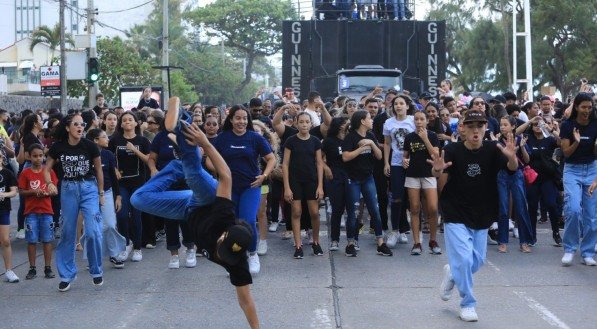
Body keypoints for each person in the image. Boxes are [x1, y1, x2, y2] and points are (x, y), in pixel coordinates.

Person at [131, 98, 259, 328]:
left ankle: (176, 164)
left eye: (226, 257)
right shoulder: (224, 215)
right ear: (223, 236)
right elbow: (226, 175)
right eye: (223, 250)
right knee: (193, 168)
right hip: (207, 199)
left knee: (138, 199)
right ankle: (183, 122)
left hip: (187, 210)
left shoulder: (236, 263)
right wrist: (205, 143)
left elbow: (246, 301)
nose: (221, 257)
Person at [432, 109, 519, 322]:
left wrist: (512, 158)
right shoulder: (452, 149)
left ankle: (452, 273)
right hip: (455, 211)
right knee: (463, 258)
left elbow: (512, 169)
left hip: (483, 213)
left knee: (476, 261)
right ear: (462, 128)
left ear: (486, 128)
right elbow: (439, 173)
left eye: (480, 126)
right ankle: (468, 303)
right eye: (471, 126)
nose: (476, 130)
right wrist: (436, 170)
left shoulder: (493, 149)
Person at [211, 105, 276, 274]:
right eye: (238, 118)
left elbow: (271, 159)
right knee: (230, 222)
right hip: (228, 187)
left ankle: (252, 254)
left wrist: (264, 176)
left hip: (250, 186)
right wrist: (220, 173)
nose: (241, 121)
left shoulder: (255, 138)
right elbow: (209, 160)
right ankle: (232, 257)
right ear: (231, 120)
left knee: (247, 221)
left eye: (244, 118)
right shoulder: (222, 138)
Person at [45, 113, 104, 291]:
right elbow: (46, 169)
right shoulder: (58, 147)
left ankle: (96, 270)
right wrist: (49, 183)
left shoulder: (90, 145)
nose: (80, 127)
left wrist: (101, 192)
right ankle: (67, 275)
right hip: (68, 189)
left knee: (93, 231)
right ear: (67, 127)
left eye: (82, 124)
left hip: (89, 188)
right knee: (68, 232)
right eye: (76, 124)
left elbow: (99, 171)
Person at [343, 111, 392, 257]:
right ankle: (350, 243)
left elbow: (379, 155)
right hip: (353, 179)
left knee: (374, 210)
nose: (372, 120)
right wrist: (361, 149)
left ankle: (380, 243)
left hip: (368, 178)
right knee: (353, 213)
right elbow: (345, 157)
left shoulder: (370, 136)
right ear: (362, 121)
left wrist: (371, 143)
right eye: (369, 118)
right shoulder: (350, 137)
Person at [559, 93, 597, 266]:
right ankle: (569, 249)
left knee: (591, 216)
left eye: (590, 107)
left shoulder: (595, 124)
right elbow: (566, 154)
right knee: (573, 209)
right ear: (576, 107)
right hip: (572, 170)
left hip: (591, 170)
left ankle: (588, 252)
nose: (587, 111)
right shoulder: (567, 125)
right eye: (583, 107)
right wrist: (576, 142)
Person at [108, 111, 150, 262]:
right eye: (124, 120)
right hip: (121, 184)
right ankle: (126, 244)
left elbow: (149, 161)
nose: (127, 122)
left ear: (136, 123)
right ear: (121, 124)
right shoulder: (114, 140)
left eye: (130, 120)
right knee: (122, 215)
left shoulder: (143, 141)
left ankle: (138, 248)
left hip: (139, 183)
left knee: (136, 216)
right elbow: (108, 159)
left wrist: (135, 150)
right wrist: (114, 170)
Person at [282, 112, 324, 258]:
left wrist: (320, 186)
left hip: (311, 180)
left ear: (311, 123)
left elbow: (319, 163)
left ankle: (316, 242)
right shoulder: (290, 141)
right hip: (295, 181)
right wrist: (287, 187)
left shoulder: (315, 141)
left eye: (307, 122)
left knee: (314, 213)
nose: (304, 124)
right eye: (301, 122)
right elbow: (285, 164)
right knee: (296, 212)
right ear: (296, 123)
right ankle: (298, 245)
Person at [86, 129, 127, 268]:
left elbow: (113, 177)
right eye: (104, 137)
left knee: (109, 224)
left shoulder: (109, 154)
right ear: (96, 140)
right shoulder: (85, 155)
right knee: (92, 228)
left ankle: (114, 253)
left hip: (108, 192)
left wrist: (118, 196)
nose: (108, 139)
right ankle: (93, 256)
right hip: (89, 194)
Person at [494, 115, 534, 253]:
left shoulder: (518, 139)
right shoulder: (497, 141)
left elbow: (527, 160)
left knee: (521, 207)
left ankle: (524, 242)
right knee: (503, 209)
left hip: (517, 175)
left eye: (505, 124)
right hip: (501, 175)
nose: (502, 127)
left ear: (513, 126)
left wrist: (522, 148)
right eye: (501, 124)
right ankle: (502, 241)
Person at [403, 110, 441, 255]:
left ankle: (433, 240)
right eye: (416, 119)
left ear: (426, 121)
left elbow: (435, 155)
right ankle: (417, 243)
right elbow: (405, 155)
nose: (419, 122)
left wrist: (425, 139)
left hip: (429, 174)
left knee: (432, 208)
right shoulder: (409, 137)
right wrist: (404, 161)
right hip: (412, 174)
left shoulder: (432, 136)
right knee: (414, 208)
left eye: (421, 119)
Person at [18, 144, 58, 279]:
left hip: (47, 211)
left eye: (41, 156)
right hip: (31, 212)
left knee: (47, 240)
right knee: (32, 240)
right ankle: (32, 268)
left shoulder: (49, 172)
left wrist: (47, 192)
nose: (38, 159)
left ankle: (48, 268)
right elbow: (21, 191)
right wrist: (34, 192)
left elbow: (54, 190)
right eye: (35, 156)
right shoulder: (25, 173)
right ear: (29, 156)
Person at [383, 94, 416, 247]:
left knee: (408, 198)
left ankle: (404, 229)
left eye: (401, 103)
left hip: (412, 163)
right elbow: (387, 144)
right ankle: (395, 230)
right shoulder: (388, 123)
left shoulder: (413, 121)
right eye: (396, 103)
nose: (398, 106)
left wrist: (411, 159)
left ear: (407, 106)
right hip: (396, 163)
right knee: (396, 197)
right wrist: (386, 163)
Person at [322, 117, 350, 252]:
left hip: (350, 175)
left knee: (351, 210)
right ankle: (335, 239)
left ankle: (352, 240)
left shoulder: (350, 139)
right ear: (340, 126)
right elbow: (318, 158)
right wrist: (326, 168)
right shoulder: (328, 141)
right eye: (346, 122)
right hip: (334, 176)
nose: (348, 124)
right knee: (337, 209)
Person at [0, 151, 18, 283]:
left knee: (5, 240)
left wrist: (4, 195)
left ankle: (9, 270)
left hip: (3, 209)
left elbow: (13, 192)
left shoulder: (7, 173)